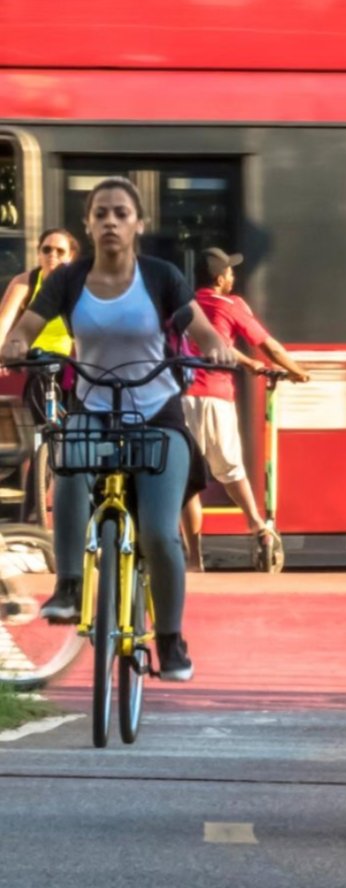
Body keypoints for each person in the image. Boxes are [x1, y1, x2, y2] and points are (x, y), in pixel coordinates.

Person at [0, 178, 234, 681]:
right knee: (69, 469)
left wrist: (216, 345)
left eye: (121, 213)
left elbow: (200, 327)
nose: (110, 221)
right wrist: (16, 343)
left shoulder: (160, 276)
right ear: (88, 224)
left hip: (156, 413)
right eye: (100, 213)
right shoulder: (70, 279)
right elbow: (28, 324)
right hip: (93, 407)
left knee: (156, 530)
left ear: (137, 225)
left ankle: (169, 639)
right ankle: (66, 587)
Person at [179, 248, 309, 572]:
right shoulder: (230, 305)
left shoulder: (184, 305)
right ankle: (257, 526)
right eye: (231, 273)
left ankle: (194, 561)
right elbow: (268, 345)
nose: (234, 278)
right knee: (231, 470)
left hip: (179, 397)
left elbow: (214, 343)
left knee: (187, 481)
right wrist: (297, 371)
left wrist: (249, 363)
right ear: (221, 278)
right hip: (214, 395)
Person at [0, 228, 80, 520]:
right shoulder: (26, 281)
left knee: (78, 436)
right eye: (46, 250)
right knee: (41, 440)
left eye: (60, 251)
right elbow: (4, 323)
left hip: (73, 365)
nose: (52, 256)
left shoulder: (79, 284)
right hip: (38, 363)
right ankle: (32, 516)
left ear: (72, 257)